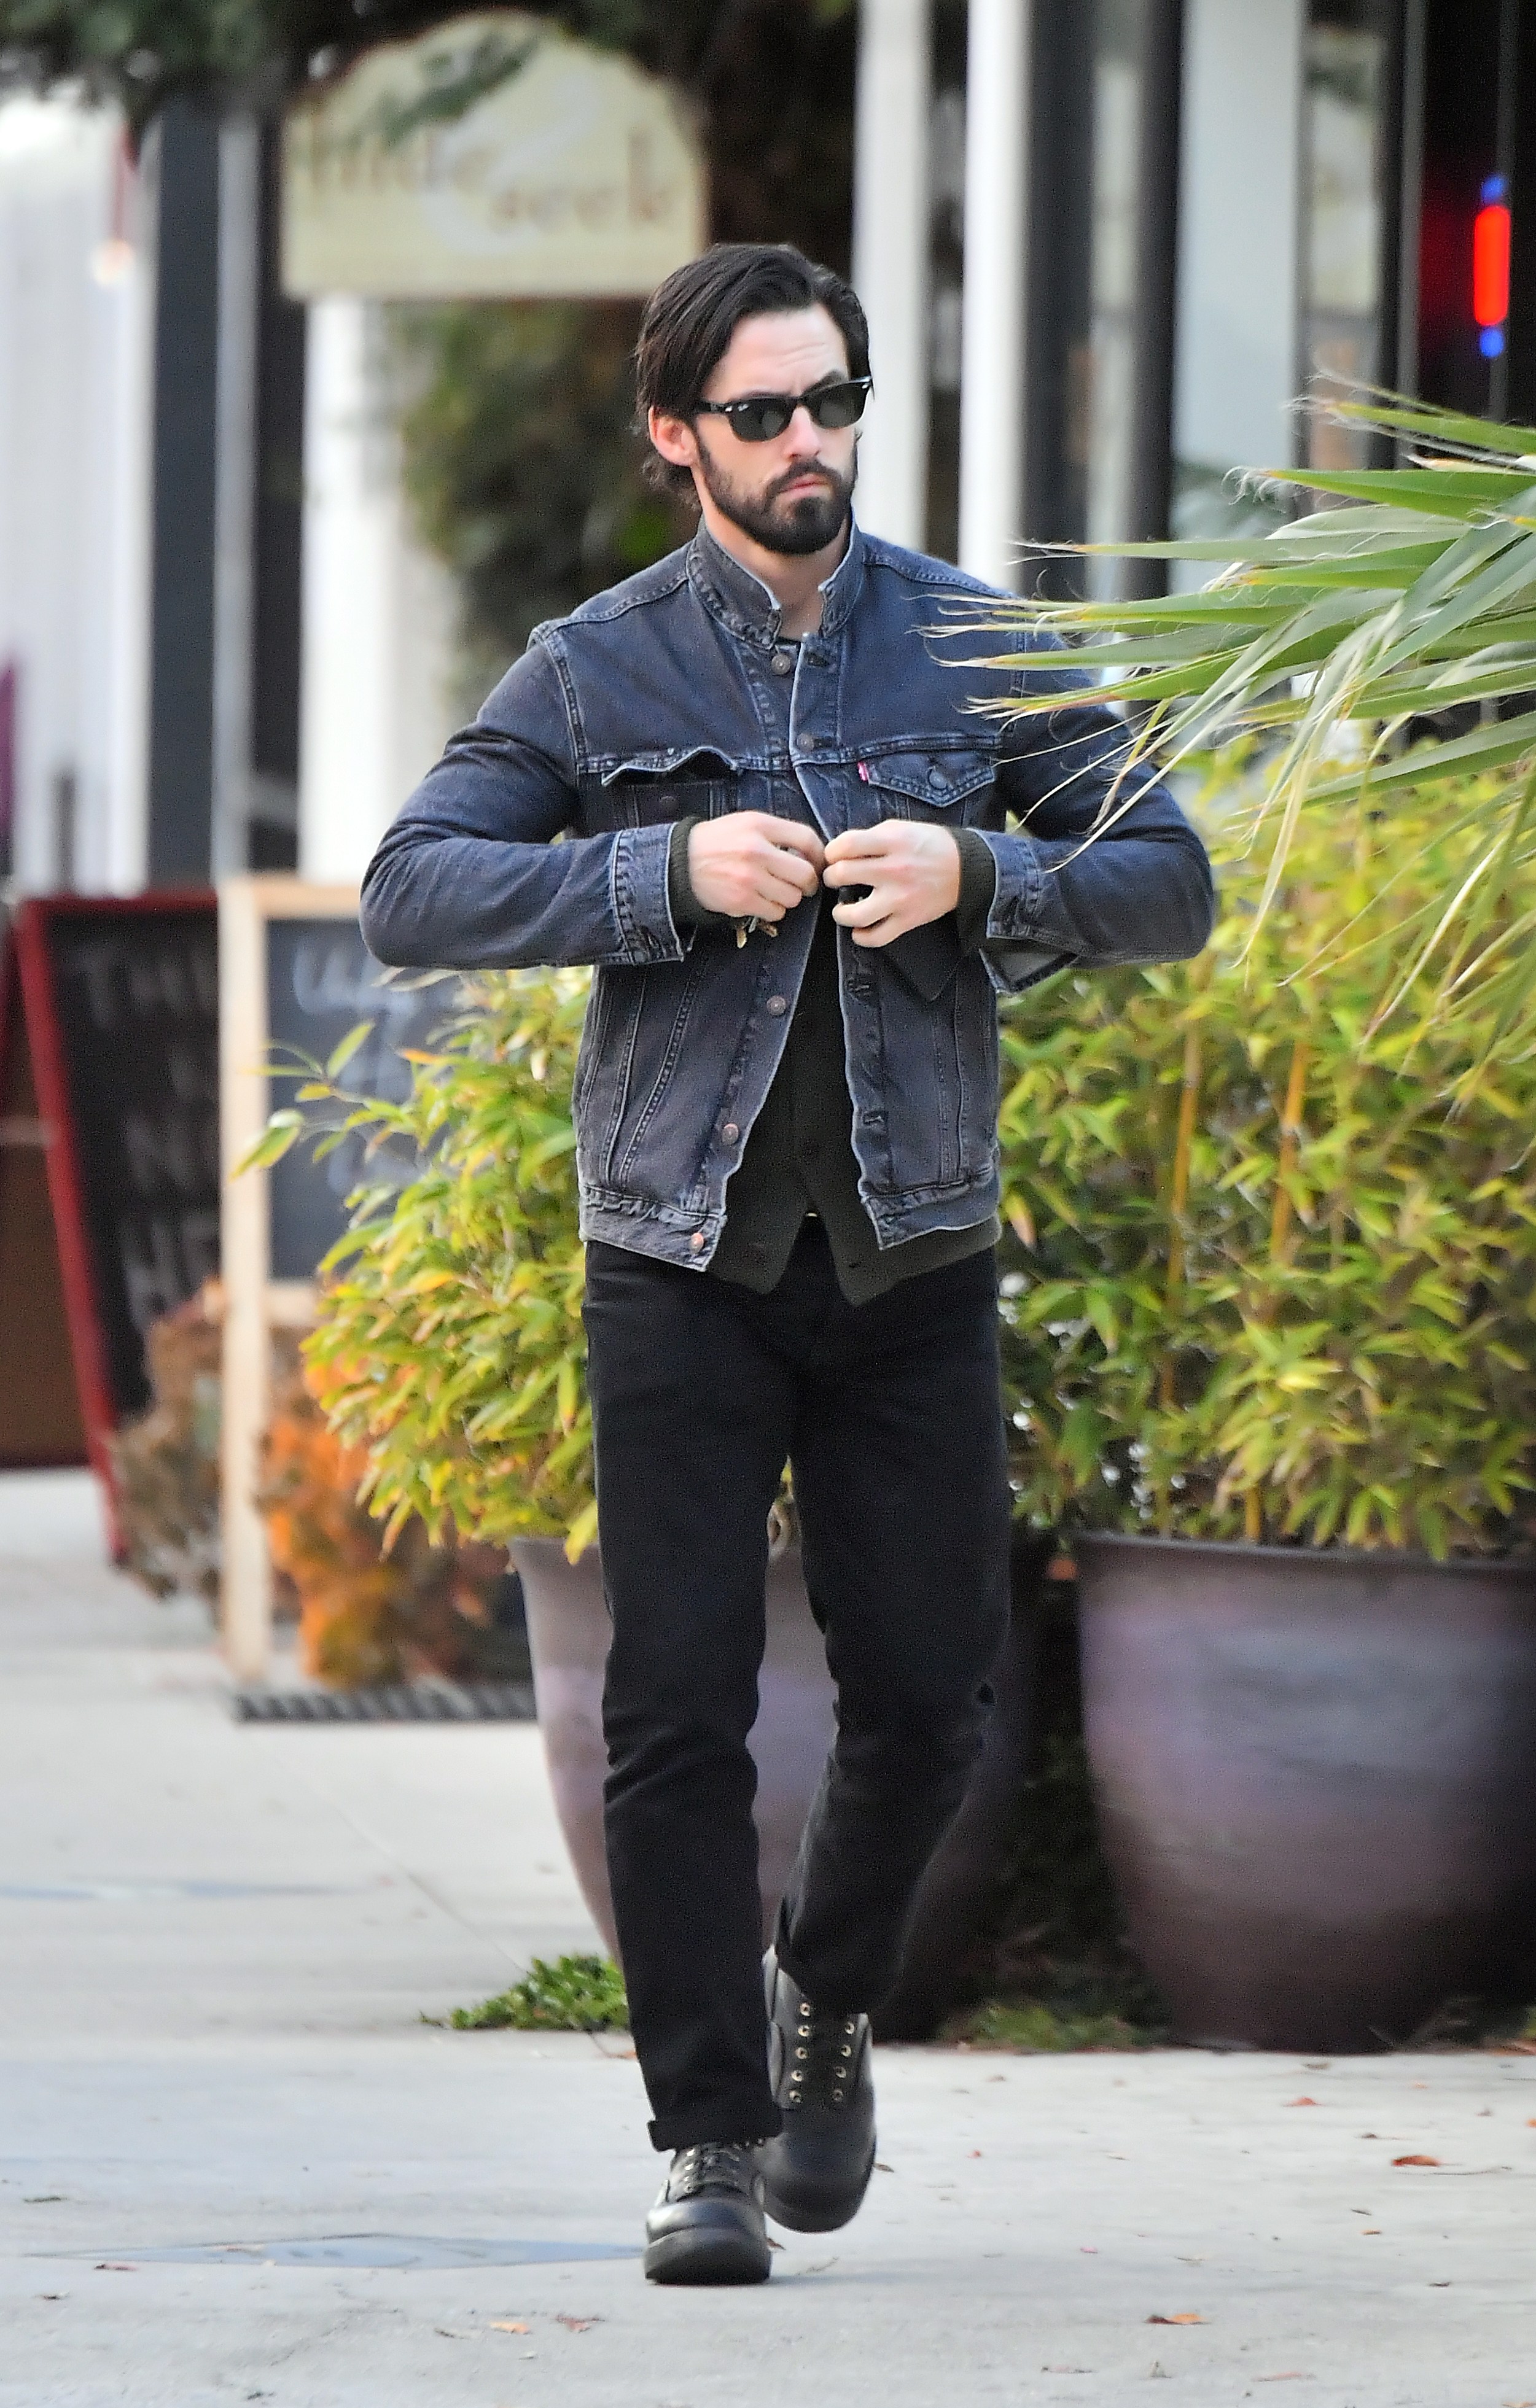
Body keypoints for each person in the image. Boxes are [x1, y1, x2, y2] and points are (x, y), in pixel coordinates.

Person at [361, 241, 1213, 2287]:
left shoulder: (975, 649)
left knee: (931, 1698)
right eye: (767, 413)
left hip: (911, 1254)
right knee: (674, 1711)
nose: (812, 442)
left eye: (836, 401)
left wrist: (986, 869)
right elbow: (413, 886)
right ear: (677, 433)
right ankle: (708, 2138)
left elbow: (1172, 876)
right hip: (676, 1254)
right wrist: (653, 871)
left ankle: (826, 1994)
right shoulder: (595, 668)